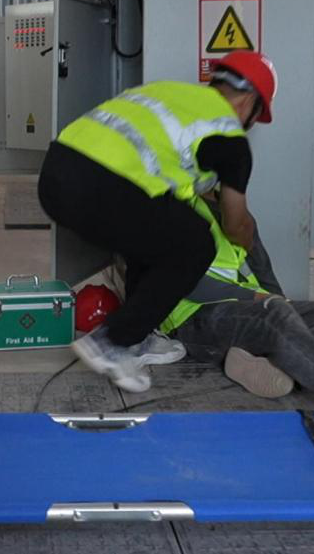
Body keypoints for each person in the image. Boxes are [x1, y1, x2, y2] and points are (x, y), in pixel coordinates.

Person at [37, 51, 276, 393]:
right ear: (249, 102)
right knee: (197, 244)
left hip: (54, 177)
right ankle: (113, 342)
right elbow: (235, 224)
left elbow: (173, 179)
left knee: (158, 236)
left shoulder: (169, 94)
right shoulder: (229, 136)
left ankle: (137, 336)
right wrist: (249, 242)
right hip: (103, 186)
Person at [159, 194, 314, 409]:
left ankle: (263, 365)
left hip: (255, 313)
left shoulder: (235, 214)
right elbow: (183, 282)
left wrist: (282, 306)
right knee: (274, 313)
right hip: (195, 318)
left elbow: (262, 269)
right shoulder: (176, 207)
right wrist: (263, 302)